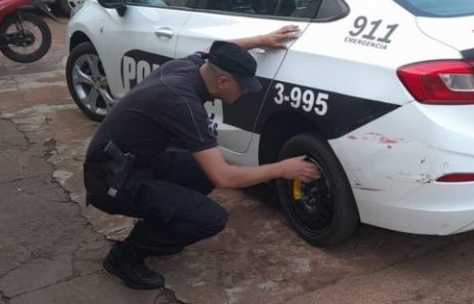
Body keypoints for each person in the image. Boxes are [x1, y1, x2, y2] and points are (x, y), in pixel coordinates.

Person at [83, 25, 319, 290]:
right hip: (111, 181)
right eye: (243, 87)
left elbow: (214, 49)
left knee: (199, 172)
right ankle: (125, 257)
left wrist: (262, 40)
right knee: (211, 218)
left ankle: (159, 224)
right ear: (223, 82)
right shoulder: (182, 103)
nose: (245, 93)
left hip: (127, 162)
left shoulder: (189, 67)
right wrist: (281, 168)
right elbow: (224, 177)